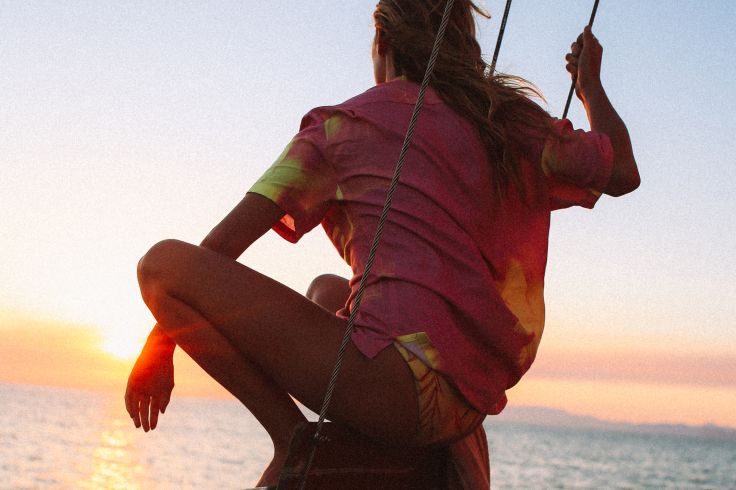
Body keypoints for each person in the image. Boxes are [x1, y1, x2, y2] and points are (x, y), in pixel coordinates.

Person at [125, 0, 639, 487]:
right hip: (468, 400)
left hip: (398, 391)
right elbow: (622, 170)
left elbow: (216, 249)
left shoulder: (339, 127)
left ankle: (291, 440)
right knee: (327, 289)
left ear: (382, 41)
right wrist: (589, 87)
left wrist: (160, 346)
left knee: (161, 266)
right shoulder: (505, 119)